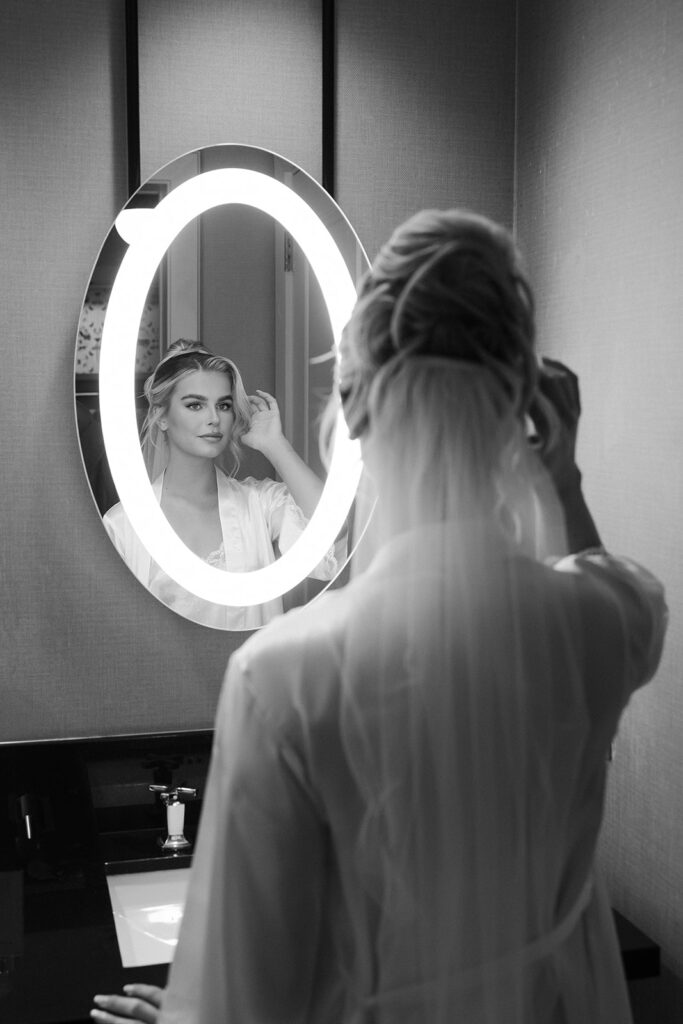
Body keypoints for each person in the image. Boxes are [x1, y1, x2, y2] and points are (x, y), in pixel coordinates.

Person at [92, 210, 667, 1024]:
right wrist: (562, 477)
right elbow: (604, 577)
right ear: (525, 400)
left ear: (354, 409)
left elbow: (239, 1001)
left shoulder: (281, 676)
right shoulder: (602, 623)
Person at [103, 340, 342, 629]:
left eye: (224, 405)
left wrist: (275, 445)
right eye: (195, 405)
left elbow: (331, 542)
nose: (214, 419)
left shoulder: (260, 504)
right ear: (161, 416)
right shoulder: (123, 525)